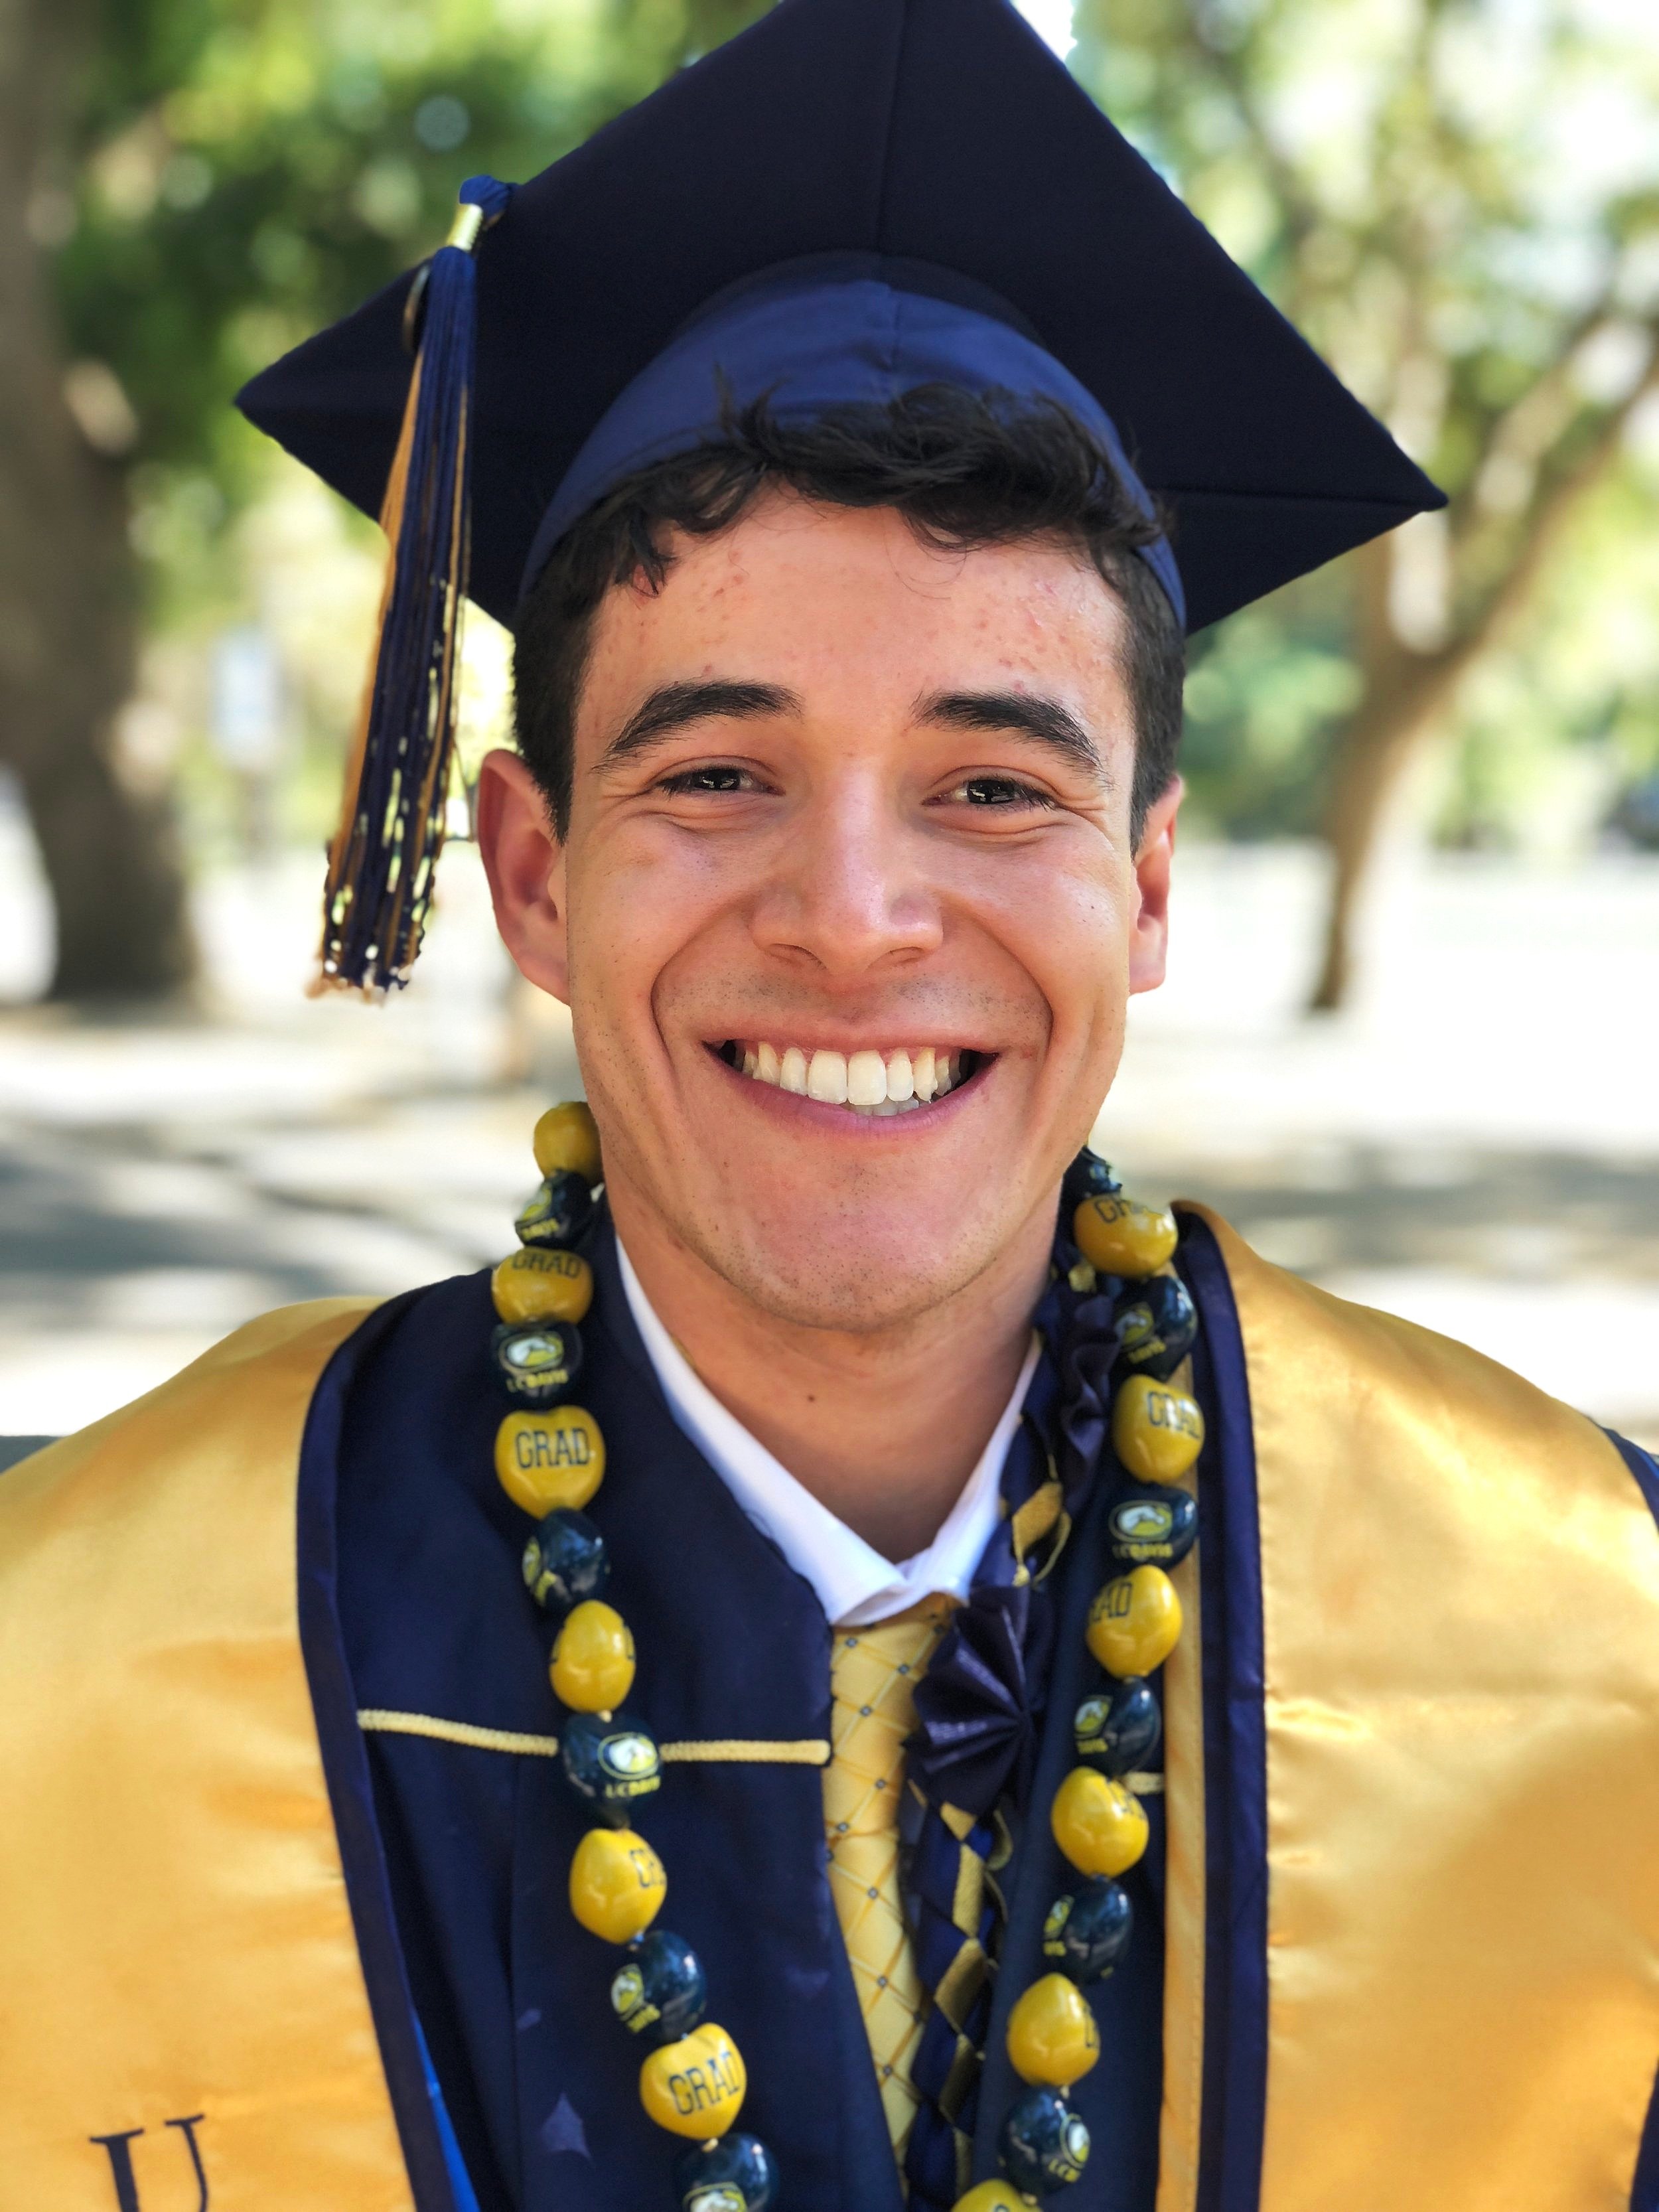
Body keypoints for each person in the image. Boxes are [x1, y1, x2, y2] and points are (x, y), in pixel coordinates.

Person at [4, 2, 1658, 2209]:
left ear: (1144, 887)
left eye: (991, 787)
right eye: (715, 775)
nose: (855, 922)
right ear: (533, 876)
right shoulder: (80, 1653)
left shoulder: (1589, 1640)